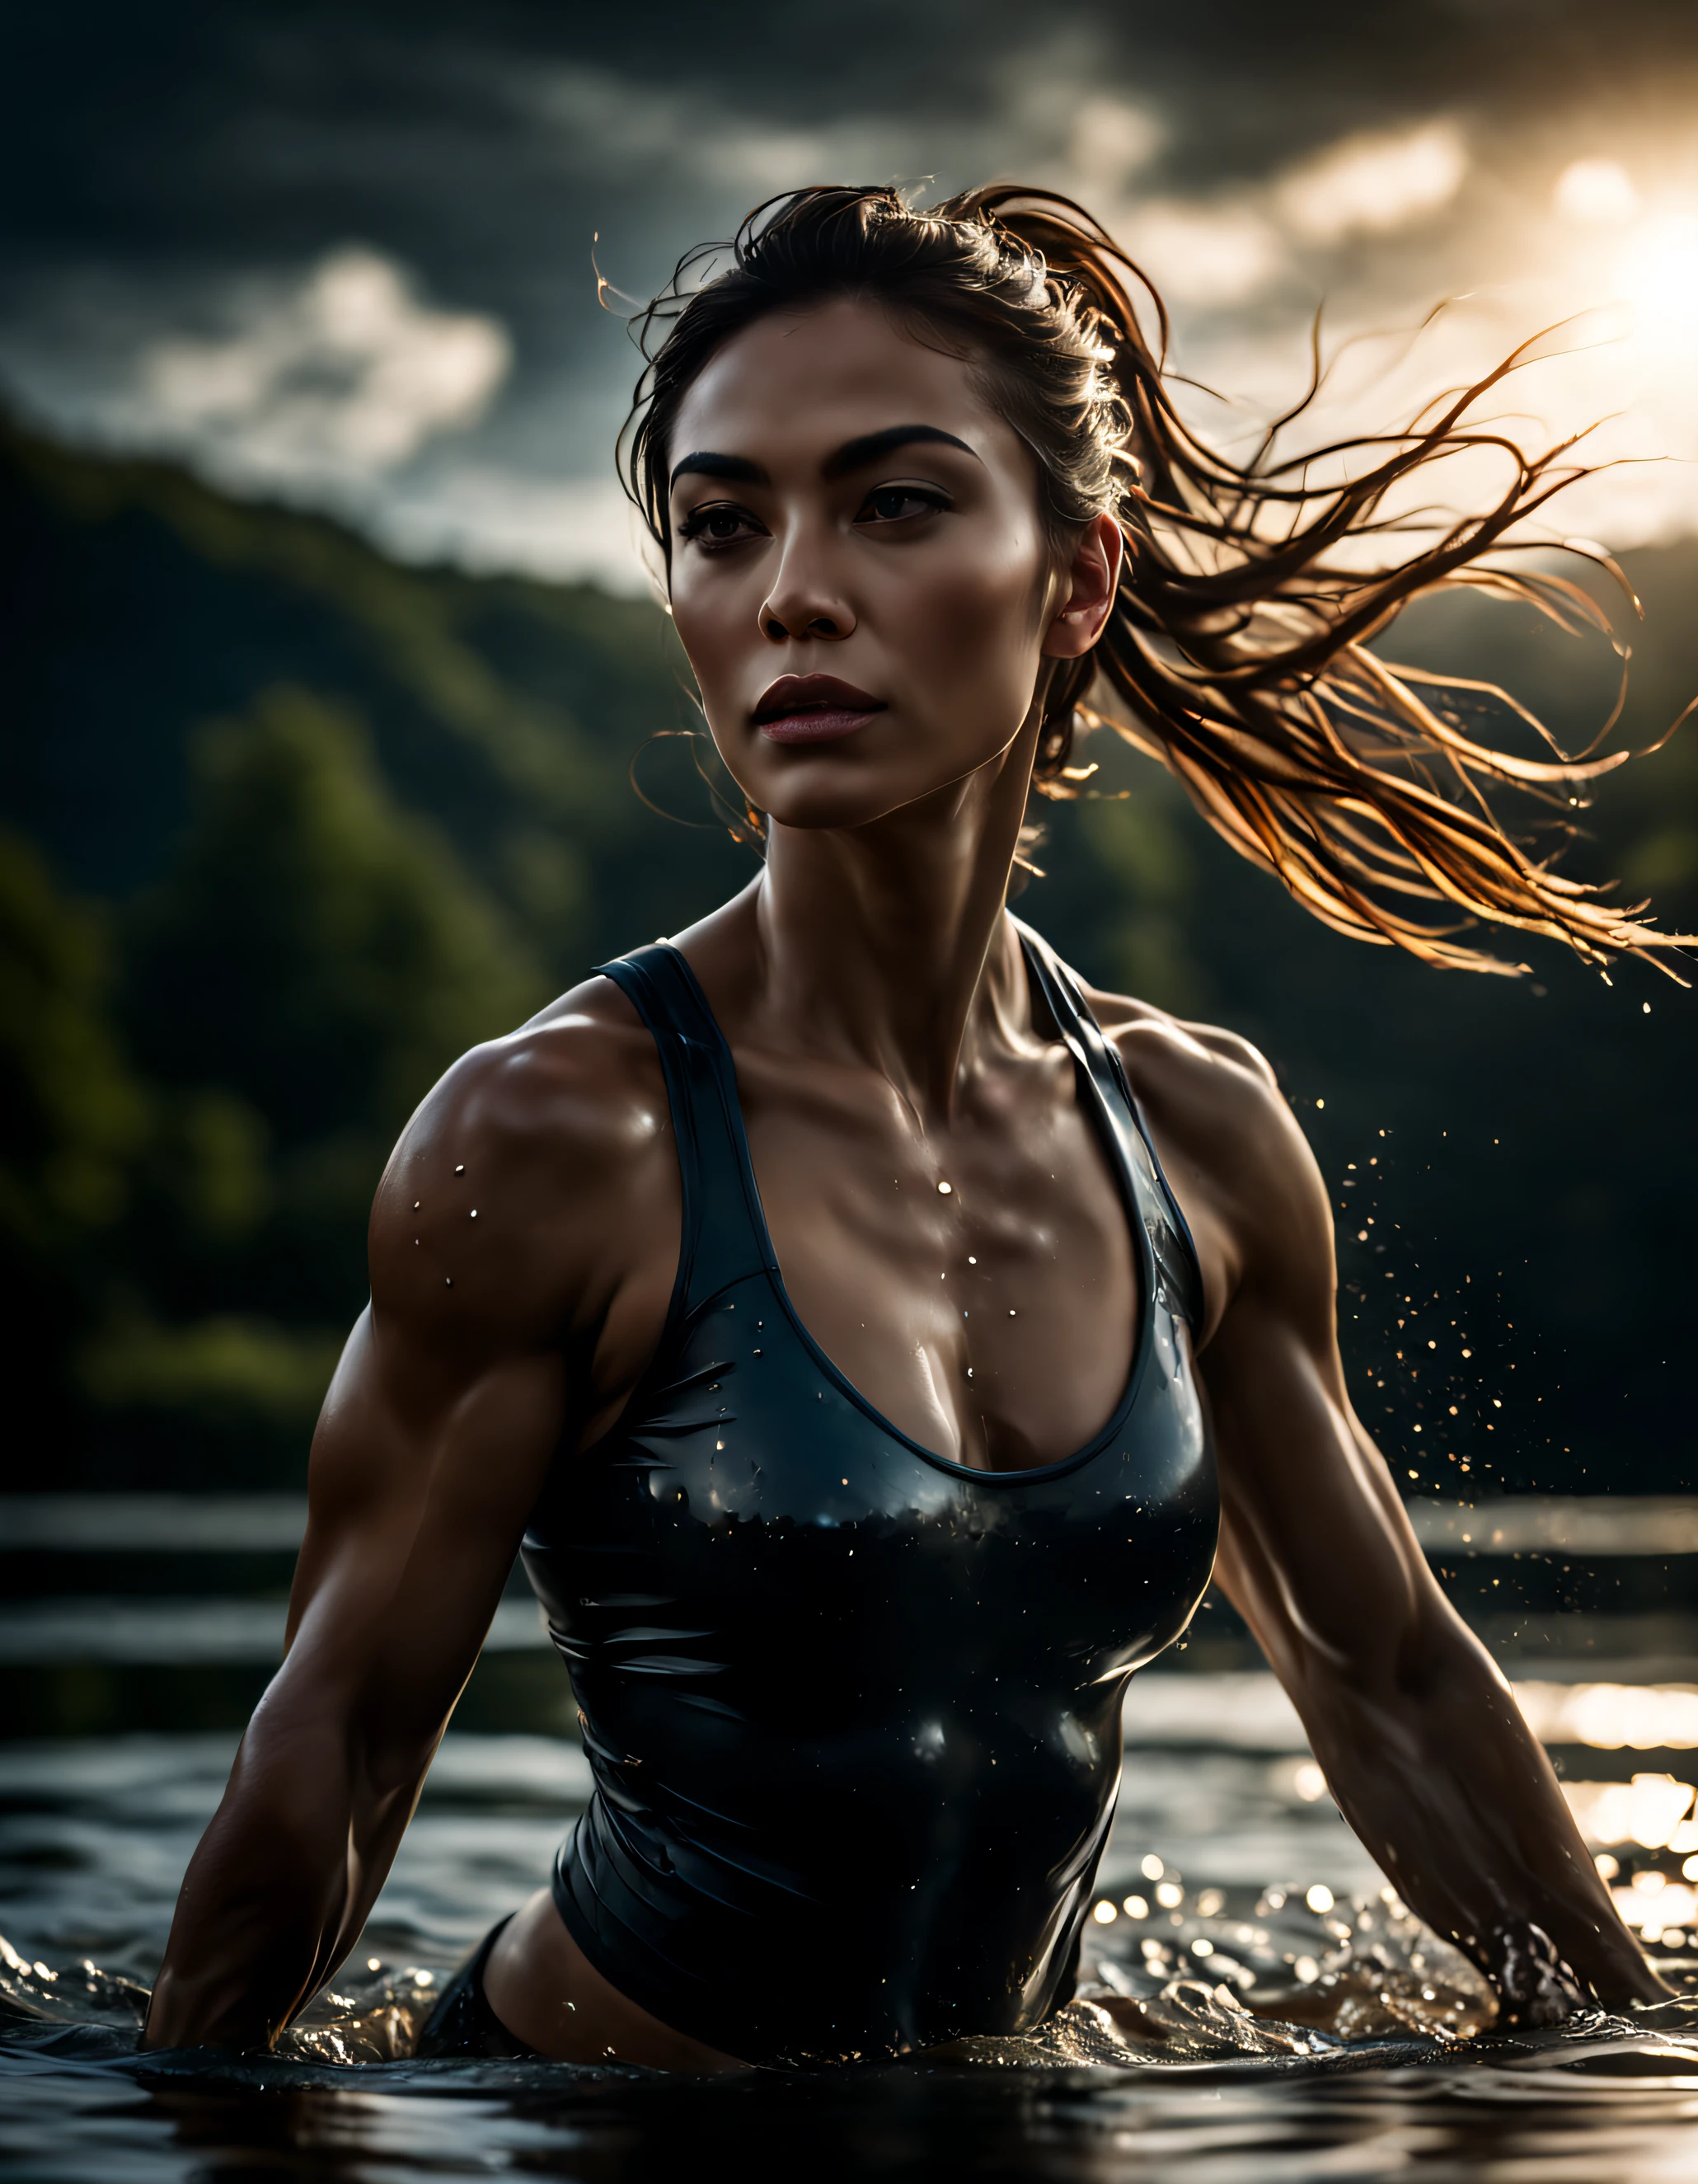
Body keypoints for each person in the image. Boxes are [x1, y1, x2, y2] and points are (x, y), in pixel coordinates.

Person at [143, 184, 1677, 2069]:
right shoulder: (555, 1136)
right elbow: (345, 1740)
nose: (792, 585)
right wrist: (173, 2122)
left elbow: (1390, 1680)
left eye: (894, 502)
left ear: (1078, 578)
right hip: (582, 2122)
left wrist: (1634, 2061)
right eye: (723, 525)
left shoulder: (1199, 1135)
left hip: (1007, 2121)